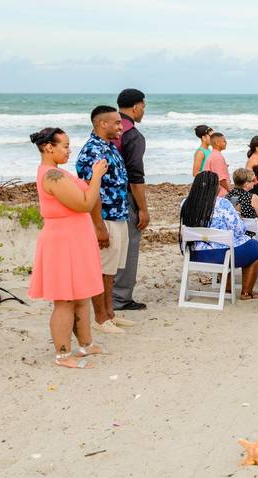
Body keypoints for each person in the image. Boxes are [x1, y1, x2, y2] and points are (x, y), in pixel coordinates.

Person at [28, 127, 107, 369]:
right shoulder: (52, 176)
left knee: (81, 295)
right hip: (62, 241)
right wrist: (96, 177)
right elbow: (84, 203)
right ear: (49, 147)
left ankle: (85, 344)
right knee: (64, 300)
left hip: (77, 238)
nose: (68, 150)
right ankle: (62, 355)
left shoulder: (60, 173)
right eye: (64, 146)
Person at [75, 105, 131, 335]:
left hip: (118, 215)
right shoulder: (92, 151)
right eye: (117, 123)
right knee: (100, 269)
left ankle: (110, 314)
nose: (121, 127)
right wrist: (98, 226)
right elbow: (92, 190)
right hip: (104, 217)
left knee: (110, 270)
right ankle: (100, 317)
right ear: (102, 124)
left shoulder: (108, 147)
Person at [183, 172, 258, 300]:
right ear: (215, 187)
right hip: (220, 255)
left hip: (194, 254)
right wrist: (238, 217)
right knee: (256, 250)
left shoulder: (186, 203)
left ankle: (228, 288)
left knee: (227, 246)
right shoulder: (223, 204)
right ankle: (246, 293)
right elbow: (239, 230)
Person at [113, 88, 149, 312]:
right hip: (124, 195)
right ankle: (120, 297)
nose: (144, 111)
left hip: (102, 195)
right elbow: (136, 177)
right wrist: (143, 209)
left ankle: (105, 293)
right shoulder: (132, 134)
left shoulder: (105, 128)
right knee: (128, 244)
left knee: (110, 244)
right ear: (136, 107)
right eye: (144, 106)